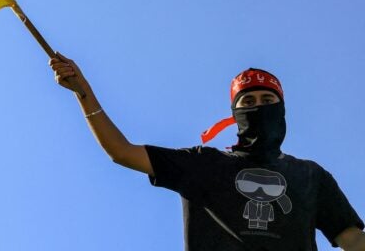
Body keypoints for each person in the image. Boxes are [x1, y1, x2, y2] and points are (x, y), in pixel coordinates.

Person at [49, 53, 365, 250]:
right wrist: (84, 93)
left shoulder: (310, 175)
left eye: (267, 102)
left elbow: (351, 239)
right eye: (248, 102)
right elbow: (121, 152)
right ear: (235, 114)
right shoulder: (203, 164)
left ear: (281, 109)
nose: (258, 107)